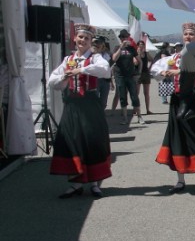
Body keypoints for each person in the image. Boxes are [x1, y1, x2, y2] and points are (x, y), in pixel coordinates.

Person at [151, 22, 195, 194]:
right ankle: (180, 180)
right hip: (177, 100)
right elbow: (155, 69)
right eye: (186, 34)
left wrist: (178, 72)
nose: (188, 36)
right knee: (178, 137)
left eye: (192, 34)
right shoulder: (173, 57)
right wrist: (162, 72)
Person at [48, 24, 112, 198]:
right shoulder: (68, 59)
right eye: (80, 37)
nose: (82, 40)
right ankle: (75, 184)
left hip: (90, 104)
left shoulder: (95, 58)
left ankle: (95, 184)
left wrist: (82, 69)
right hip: (72, 105)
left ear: (91, 41)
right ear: (75, 39)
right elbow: (53, 83)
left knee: (92, 141)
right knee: (71, 140)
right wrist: (64, 76)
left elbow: (105, 71)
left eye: (86, 38)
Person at [112, 32, 144, 125]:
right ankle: (125, 118)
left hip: (130, 75)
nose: (123, 38)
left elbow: (139, 61)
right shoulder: (117, 48)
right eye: (122, 37)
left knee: (134, 96)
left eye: (125, 37)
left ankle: (139, 116)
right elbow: (114, 58)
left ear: (128, 38)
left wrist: (139, 73)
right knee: (122, 96)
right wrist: (121, 47)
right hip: (120, 75)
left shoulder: (131, 48)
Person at [92, 36, 112, 110]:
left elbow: (109, 68)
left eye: (100, 43)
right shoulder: (92, 54)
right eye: (96, 42)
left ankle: (101, 114)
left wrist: (111, 81)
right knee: (95, 99)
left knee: (103, 101)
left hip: (105, 80)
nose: (98, 44)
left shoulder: (106, 54)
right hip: (96, 79)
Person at [135, 40, 153, 115]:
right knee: (136, 93)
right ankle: (136, 109)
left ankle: (148, 109)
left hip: (145, 73)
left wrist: (149, 68)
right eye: (140, 44)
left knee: (146, 93)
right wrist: (138, 54)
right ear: (137, 46)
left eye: (142, 44)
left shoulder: (146, 53)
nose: (141, 46)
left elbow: (152, 59)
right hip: (138, 73)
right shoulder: (135, 54)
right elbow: (135, 63)